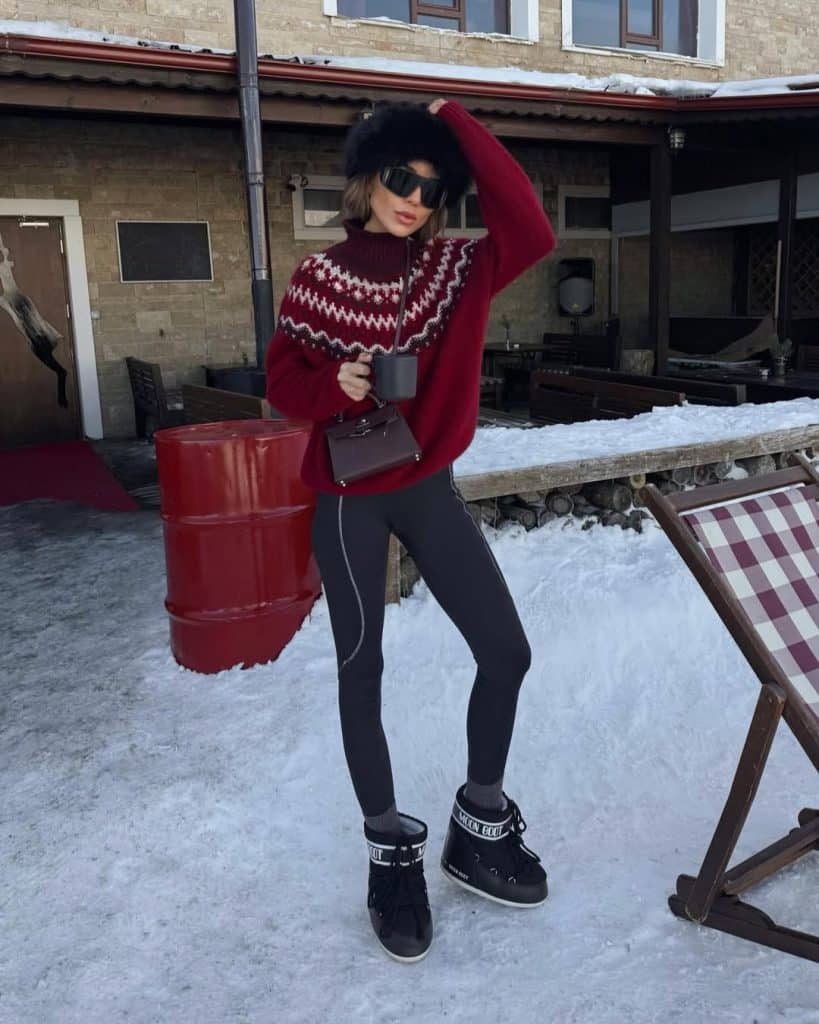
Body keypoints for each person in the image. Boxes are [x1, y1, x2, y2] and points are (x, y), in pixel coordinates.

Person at [266, 97, 556, 963]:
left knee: (505, 650)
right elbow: (283, 382)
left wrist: (451, 123)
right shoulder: (316, 281)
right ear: (367, 179)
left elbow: (533, 229)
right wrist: (336, 388)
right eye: (400, 177)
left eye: (432, 189)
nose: (413, 199)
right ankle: (391, 855)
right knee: (363, 669)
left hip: (427, 487)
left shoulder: (455, 272)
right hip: (350, 495)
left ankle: (480, 823)